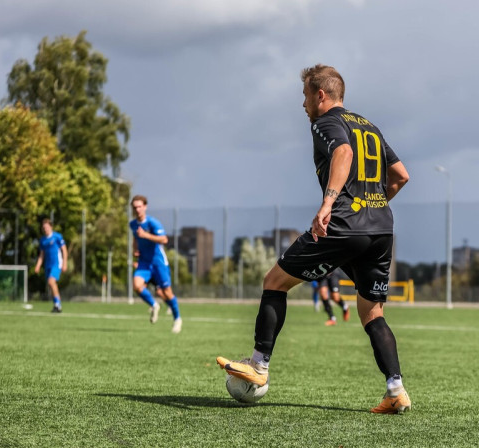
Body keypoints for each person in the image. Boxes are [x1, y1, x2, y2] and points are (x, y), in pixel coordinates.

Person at [217, 64, 411, 413]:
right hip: (381, 228)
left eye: (305, 95)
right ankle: (396, 389)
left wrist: (329, 203)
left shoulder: (325, 123)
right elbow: (400, 176)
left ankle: (259, 365)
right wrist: (371, 207)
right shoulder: (369, 125)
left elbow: (343, 153)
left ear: (320, 95)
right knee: (371, 312)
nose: (303, 104)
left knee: (274, 281)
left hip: (343, 224)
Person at [129, 195, 182, 334]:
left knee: (166, 292)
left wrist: (146, 235)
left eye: (140, 206)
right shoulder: (133, 224)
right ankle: (154, 305)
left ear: (145, 207)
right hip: (144, 263)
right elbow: (136, 238)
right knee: (137, 285)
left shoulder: (153, 223)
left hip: (158, 262)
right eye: (135, 207)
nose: (137, 209)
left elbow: (164, 239)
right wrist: (135, 250)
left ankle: (177, 319)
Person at [34, 219, 67, 313]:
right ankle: (57, 305)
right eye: (44, 227)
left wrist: (65, 263)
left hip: (56, 263)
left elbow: (64, 250)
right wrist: (38, 265)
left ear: (51, 226)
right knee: (51, 284)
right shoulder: (43, 240)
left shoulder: (57, 237)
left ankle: (58, 304)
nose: (45, 229)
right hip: (48, 265)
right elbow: (42, 254)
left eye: (47, 227)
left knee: (51, 281)